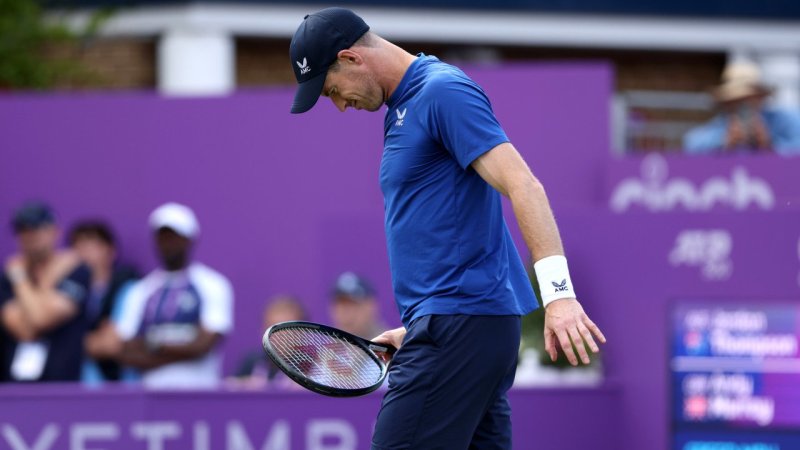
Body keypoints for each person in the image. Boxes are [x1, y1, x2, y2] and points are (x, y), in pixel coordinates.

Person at [288, 8, 606, 449]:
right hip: (457, 323)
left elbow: (525, 186)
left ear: (352, 58)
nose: (341, 105)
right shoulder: (403, 106)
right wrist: (418, 324)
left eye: (332, 90)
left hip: (461, 323)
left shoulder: (443, 92)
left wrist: (559, 296)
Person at [99, 202, 234, 389]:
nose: (168, 244)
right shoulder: (141, 290)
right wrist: (181, 351)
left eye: (174, 237)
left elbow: (203, 345)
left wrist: (152, 347)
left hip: (199, 394)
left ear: (190, 239)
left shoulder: (213, 285)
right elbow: (124, 349)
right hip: (151, 398)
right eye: (162, 237)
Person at [0, 202, 90, 382]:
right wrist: (22, 278)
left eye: (37, 228)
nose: (30, 235)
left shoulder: (77, 271)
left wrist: (32, 279)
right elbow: (26, 331)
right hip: (11, 390)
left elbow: (42, 320)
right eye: (23, 230)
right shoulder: (10, 276)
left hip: (61, 387)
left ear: (55, 231)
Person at [68, 220, 139, 383]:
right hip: (78, 389)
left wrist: (69, 343)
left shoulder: (130, 288)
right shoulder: (66, 292)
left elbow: (112, 345)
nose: (83, 253)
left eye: (92, 245)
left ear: (111, 251)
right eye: (77, 246)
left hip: (123, 387)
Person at [683, 60, 800, 154]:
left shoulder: (784, 120)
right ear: (727, 102)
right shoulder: (719, 126)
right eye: (737, 99)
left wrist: (770, 144)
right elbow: (691, 146)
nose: (744, 104)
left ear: (760, 97)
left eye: (749, 98)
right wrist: (724, 142)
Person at [228, 294, 307, 390]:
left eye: (286, 329)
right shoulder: (252, 362)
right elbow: (228, 387)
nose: (279, 336)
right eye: (271, 327)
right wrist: (240, 385)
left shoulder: (315, 366)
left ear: (302, 331)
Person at [329, 271, 386, 339]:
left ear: (371, 306)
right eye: (342, 305)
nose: (347, 314)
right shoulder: (325, 346)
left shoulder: (391, 344)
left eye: (353, 304)